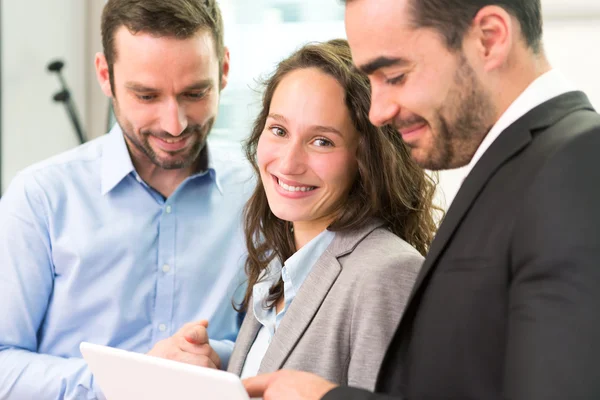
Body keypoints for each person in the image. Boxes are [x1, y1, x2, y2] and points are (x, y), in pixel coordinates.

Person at [243, 0, 600, 399]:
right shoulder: (515, 166)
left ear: (490, 39)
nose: (378, 112)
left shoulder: (578, 161)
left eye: (395, 75)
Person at [0, 1, 252, 399]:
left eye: (194, 92)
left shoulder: (260, 195)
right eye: (147, 96)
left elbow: (283, 343)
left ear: (223, 69)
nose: (175, 124)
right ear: (105, 75)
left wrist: (215, 357)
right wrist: (131, 380)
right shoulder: (40, 198)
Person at [222, 38, 437, 389]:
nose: (289, 163)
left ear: (367, 159)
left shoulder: (386, 273)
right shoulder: (281, 265)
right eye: (279, 130)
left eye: (322, 141)